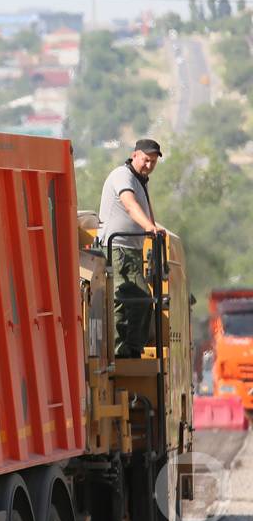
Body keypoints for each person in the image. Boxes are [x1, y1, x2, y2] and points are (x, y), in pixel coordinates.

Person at [97, 138, 163, 358]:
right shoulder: (122, 176)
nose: (149, 165)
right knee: (131, 298)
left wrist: (152, 228)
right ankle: (122, 351)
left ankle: (130, 349)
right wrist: (148, 227)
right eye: (146, 160)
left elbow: (146, 212)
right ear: (134, 154)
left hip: (130, 250)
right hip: (117, 248)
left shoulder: (141, 181)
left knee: (135, 300)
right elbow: (129, 204)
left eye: (153, 162)